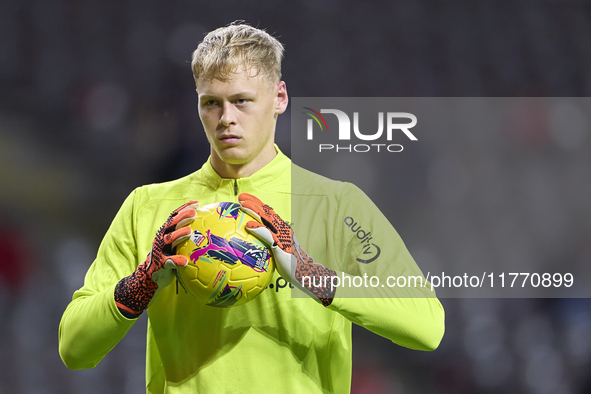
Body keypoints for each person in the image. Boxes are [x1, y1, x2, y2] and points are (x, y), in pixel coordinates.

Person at [59, 22, 445, 393]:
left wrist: (316, 277)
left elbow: (426, 326)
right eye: (211, 103)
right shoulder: (148, 206)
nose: (226, 119)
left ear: (279, 98)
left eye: (242, 101)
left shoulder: (335, 204)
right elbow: (74, 350)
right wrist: (140, 283)